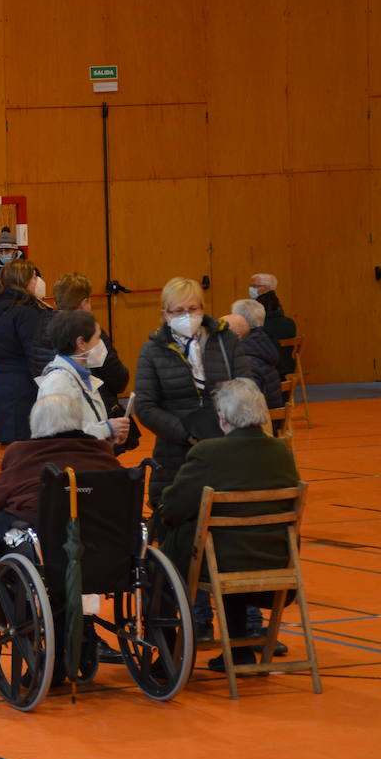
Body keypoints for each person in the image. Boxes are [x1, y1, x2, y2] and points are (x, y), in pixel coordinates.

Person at [158, 379, 300, 671]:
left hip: (222, 562)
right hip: (277, 562)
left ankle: (168, 655)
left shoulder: (209, 453)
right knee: (232, 538)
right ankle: (239, 651)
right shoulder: (281, 451)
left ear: (222, 417)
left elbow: (172, 510)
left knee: (161, 557)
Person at [0, 393, 123, 596]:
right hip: (105, 549)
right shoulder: (102, 453)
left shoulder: (23, 453)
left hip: (47, 548)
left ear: (36, 423)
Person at [133, 277, 249, 511]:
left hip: (226, 444)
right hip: (175, 453)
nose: (187, 315)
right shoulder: (152, 350)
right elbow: (145, 406)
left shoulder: (226, 341)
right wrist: (185, 432)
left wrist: (229, 423)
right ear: (165, 314)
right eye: (179, 311)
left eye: (193, 309)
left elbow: (247, 386)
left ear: (203, 309)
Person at [28, 273, 131, 419]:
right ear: (84, 303)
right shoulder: (90, 333)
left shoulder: (37, 332)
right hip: (92, 414)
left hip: (52, 413)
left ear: (57, 302)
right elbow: (118, 380)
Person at [35, 310, 131, 446]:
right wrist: (107, 428)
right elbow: (61, 439)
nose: (101, 345)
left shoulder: (85, 378)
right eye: (98, 339)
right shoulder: (57, 383)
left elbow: (88, 426)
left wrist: (111, 437)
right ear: (81, 343)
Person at [0, 258, 50, 445]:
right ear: (25, 280)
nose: (38, 281)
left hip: (1, 387)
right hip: (24, 390)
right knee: (29, 458)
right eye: (35, 277)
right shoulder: (25, 313)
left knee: (14, 457)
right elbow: (37, 355)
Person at [224, 299, 284, 412]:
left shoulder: (247, 360)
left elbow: (248, 408)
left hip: (262, 421)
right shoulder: (262, 342)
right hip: (270, 414)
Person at [250, 272, 297, 376]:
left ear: (266, 288)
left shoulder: (259, 327)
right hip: (287, 368)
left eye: (254, 286)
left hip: (267, 371)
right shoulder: (290, 323)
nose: (250, 289)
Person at [0, 226, 24, 301]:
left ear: (15, 250)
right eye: (0, 251)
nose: (3, 254)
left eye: (7, 250)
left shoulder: (26, 269)